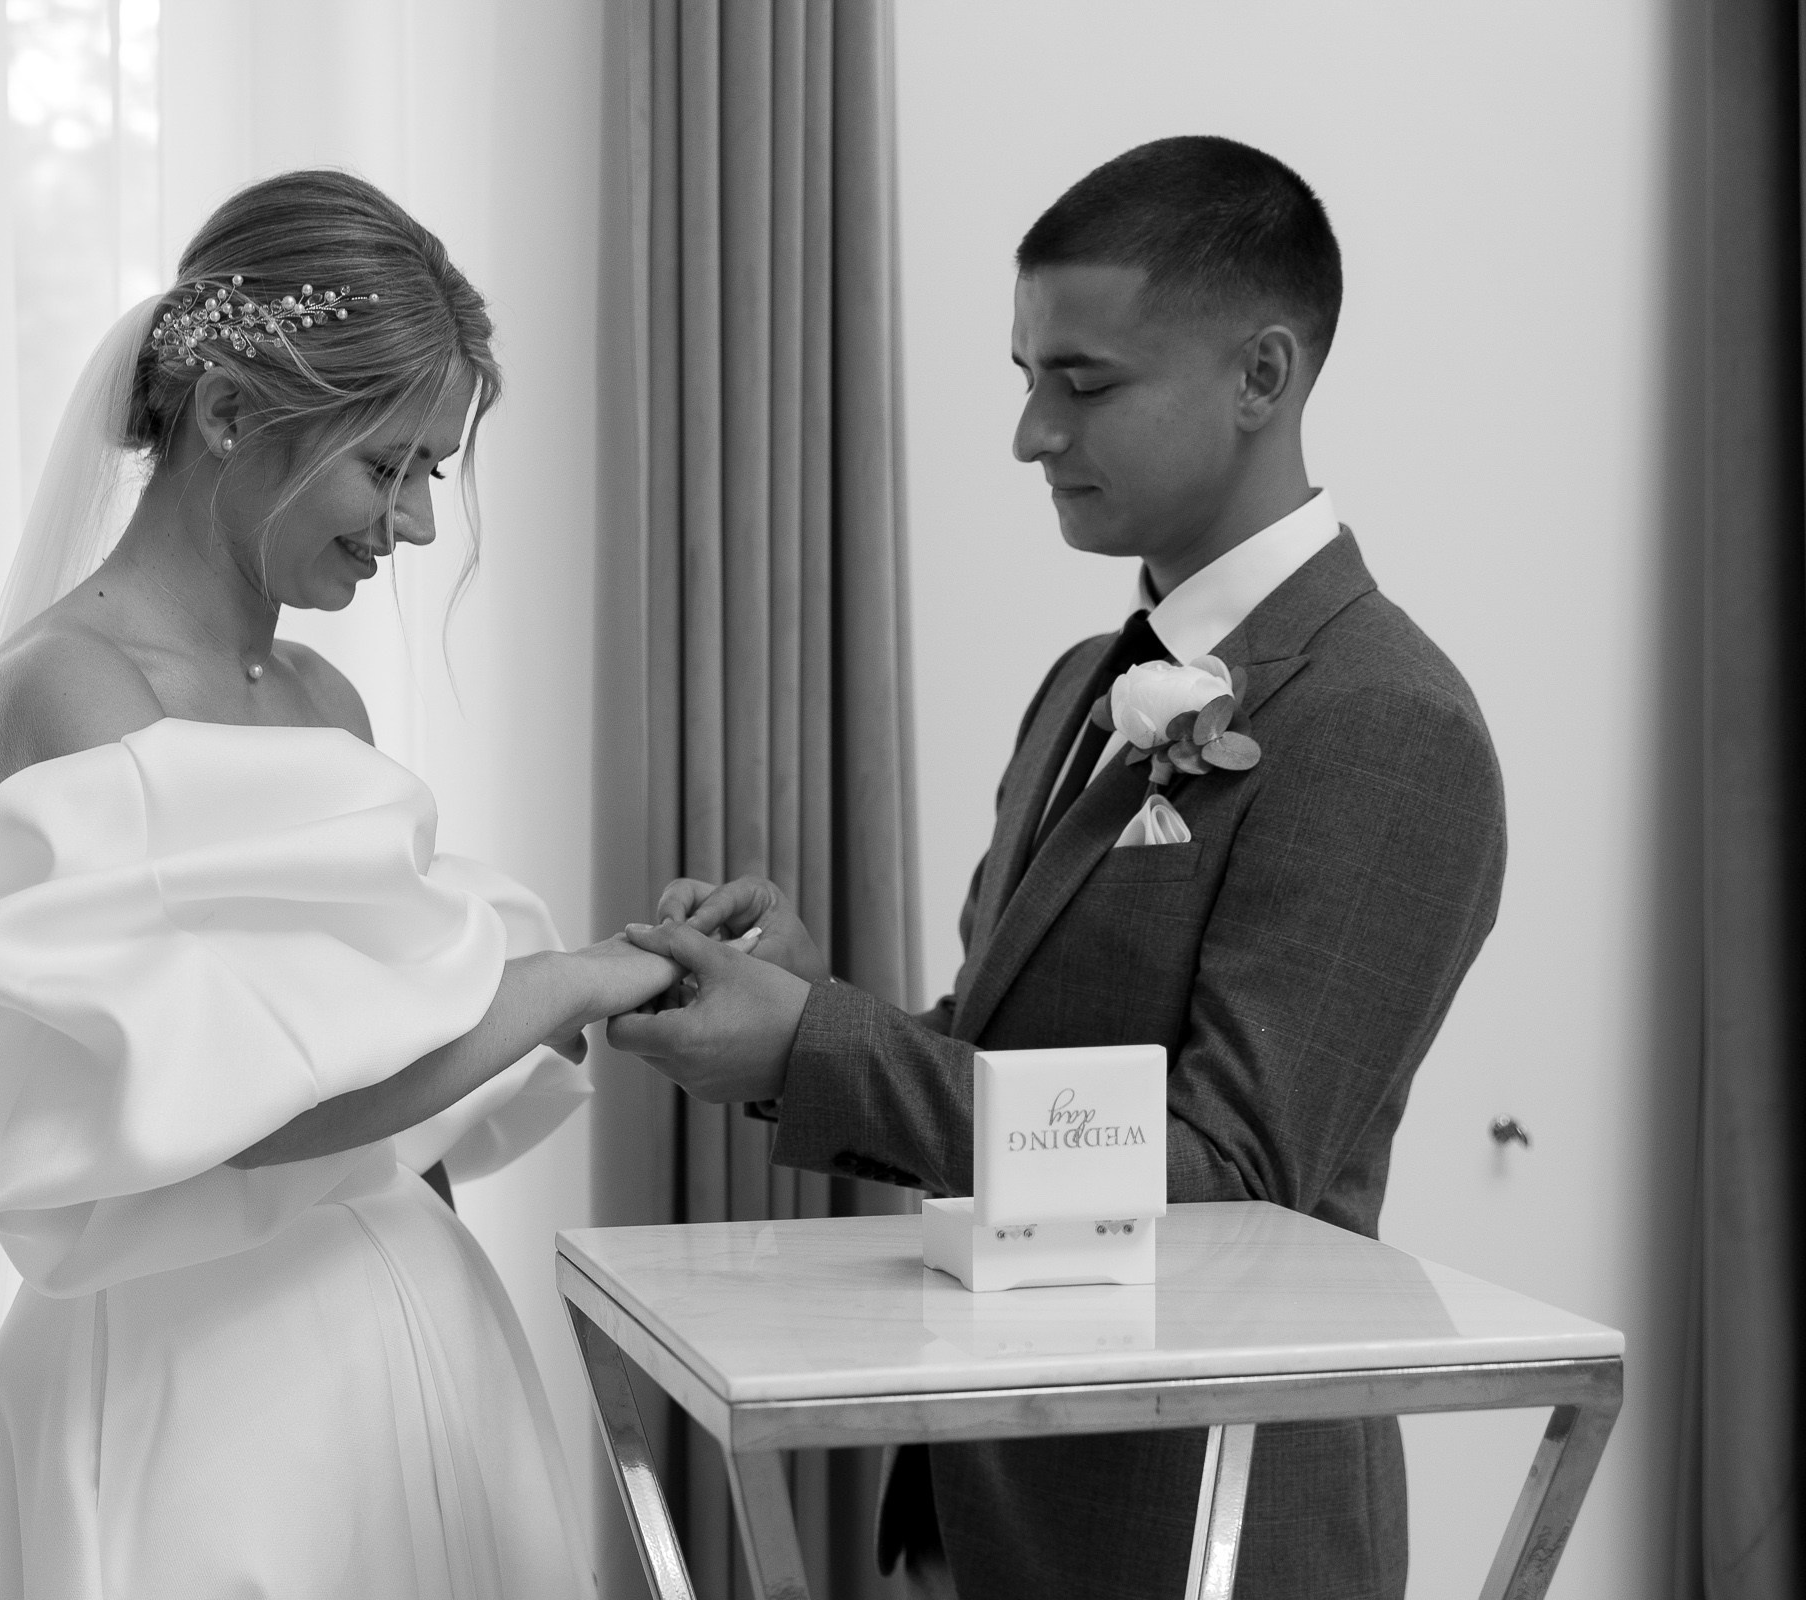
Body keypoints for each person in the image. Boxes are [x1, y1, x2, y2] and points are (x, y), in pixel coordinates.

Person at [611, 137, 1507, 1600]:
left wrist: (820, 1047)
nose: (1031, 434)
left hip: (1198, 1513)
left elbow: (1231, 1179)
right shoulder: (1086, 682)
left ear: (1262, 377)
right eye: (1024, 378)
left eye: (1082, 385)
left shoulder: (1386, 720)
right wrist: (805, 1007)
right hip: (977, 1488)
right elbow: (1011, 1061)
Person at [0, 169, 673, 1599]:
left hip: (415, 1357)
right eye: (390, 468)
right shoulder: (68, 700)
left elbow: (394, 1080)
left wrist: (607, 982)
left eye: (433, 475)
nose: (420, 528)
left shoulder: (325, 701)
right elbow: (223, 1117)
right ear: (232, 415)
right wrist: (560, 979)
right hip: (199, 1409)